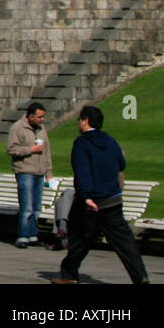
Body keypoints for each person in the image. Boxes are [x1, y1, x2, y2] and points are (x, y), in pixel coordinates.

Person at [52, 105, 149, 284]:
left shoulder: (82, 143)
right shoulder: (110, 141)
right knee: (124, 241)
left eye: (79, 119)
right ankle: (140, 276)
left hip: (92, 201)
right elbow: (121, 164)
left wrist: (86, 196)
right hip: (112, 199)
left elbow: (82, 172)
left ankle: (69, 274)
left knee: (79, 237)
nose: (78, 123)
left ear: (86, 121)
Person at [5, 102, 51, 248]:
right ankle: (23, 235)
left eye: (43, 117)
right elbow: (11, 149)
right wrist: (31, 149)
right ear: (30, 117)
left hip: (39, 172)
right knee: (27, 207)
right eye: (39, 117)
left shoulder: (42, 128)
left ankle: (33, 234)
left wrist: (48, 172)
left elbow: (47, 151)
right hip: (25, 171)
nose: (42, 120)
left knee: (37, 207)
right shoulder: (17, 128)